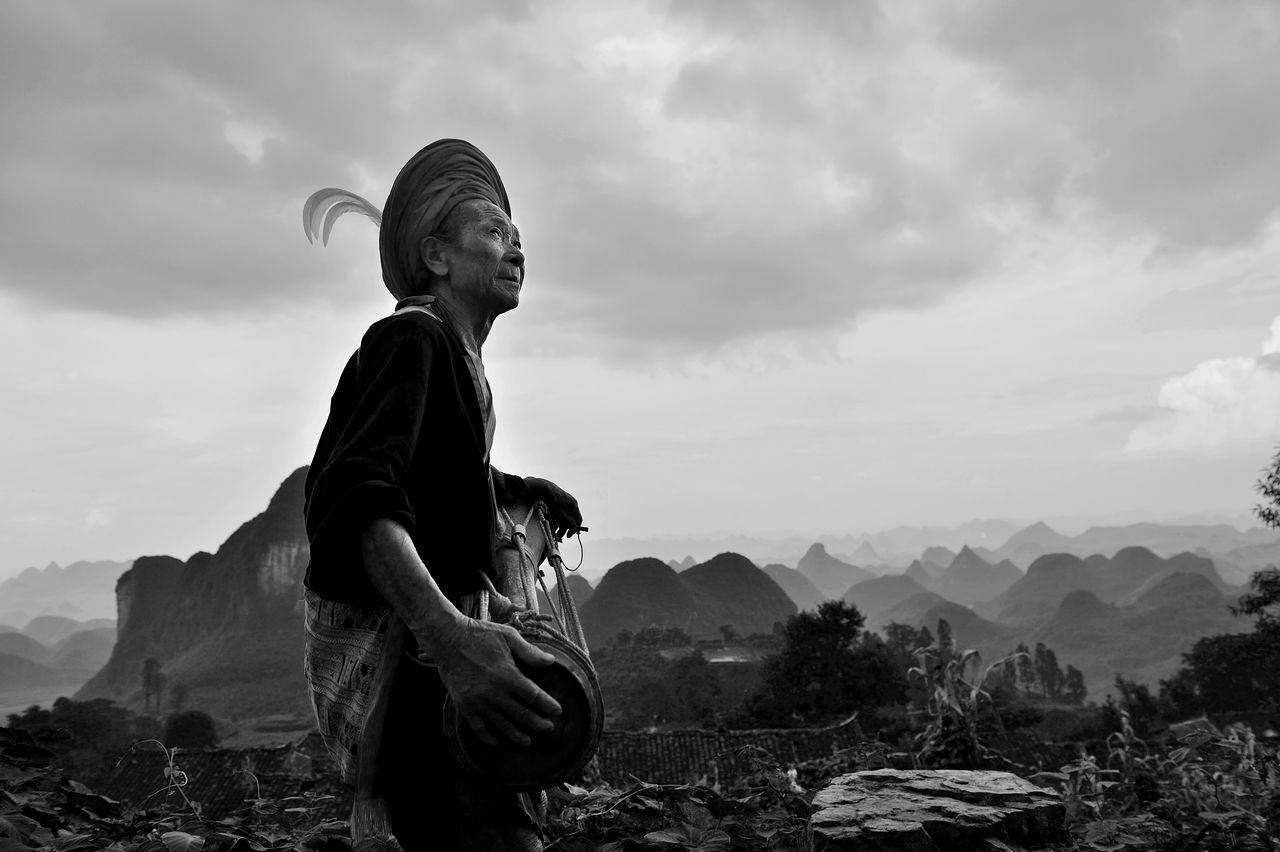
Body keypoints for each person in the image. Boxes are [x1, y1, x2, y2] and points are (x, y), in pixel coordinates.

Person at [301, 139, 583, 851]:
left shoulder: (457, 357)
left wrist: (521, 488)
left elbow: (438, 471)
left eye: (518, 238)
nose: (517, 250)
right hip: (421, 675)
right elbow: (360, 498)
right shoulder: (411, 339)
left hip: (438, 669)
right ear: (437, 257)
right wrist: (454, 643)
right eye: (494, 233)